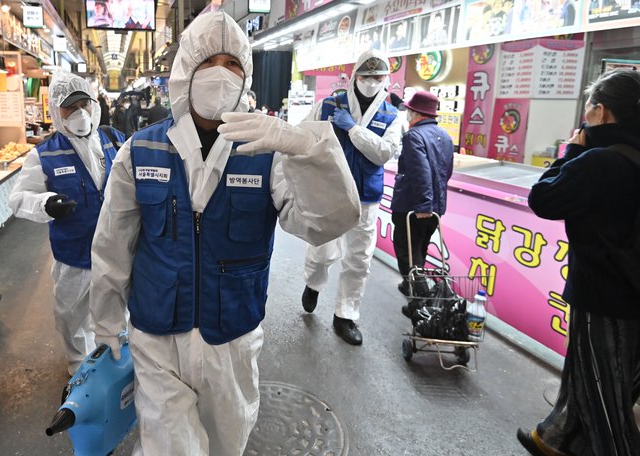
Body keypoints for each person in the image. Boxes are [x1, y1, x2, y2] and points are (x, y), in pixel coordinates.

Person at [89, 11, 359, 456]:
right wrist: (105, 321)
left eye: (232, 63)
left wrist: (312, 152)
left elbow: (324, 223)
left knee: (225, 445)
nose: (220, 73)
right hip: (158, 339)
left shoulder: (267, 152)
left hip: (231, 339)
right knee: (169, 448)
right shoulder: (141, 150)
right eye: (208, 61)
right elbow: (112, 243)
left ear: (246, 75)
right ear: (185, 72)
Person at [519, 68, 640, 456]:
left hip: (605, 294)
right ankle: (554, 438)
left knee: (607, 398)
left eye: (588, 107)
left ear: (601, 112)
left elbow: (543, 199)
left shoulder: (599, 161)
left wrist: (572, 150)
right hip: (631, 289)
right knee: (585, 373)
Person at [8, 72, 125, 376]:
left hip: (116, 252)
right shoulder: (44, 155)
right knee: (72, 317)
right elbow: (18, 198)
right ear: (55, 112)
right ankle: (80, 372)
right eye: (69, 108)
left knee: (115, 312)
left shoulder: (115, 140)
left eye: (83, 104)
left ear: (93, 103)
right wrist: (44, 203)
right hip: (74, 256)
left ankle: (116, 367)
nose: (79, 114)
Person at [301, 49, 402, 345]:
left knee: (359, 259)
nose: (371, 82)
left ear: (386, 79)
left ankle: (346, 315)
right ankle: (313, 283)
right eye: (366, 76)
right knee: (322, 250)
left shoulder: (392, 115)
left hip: (367, 195)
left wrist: (354, 130)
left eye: (377, 77)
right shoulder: (328, 105)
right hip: (330, 190)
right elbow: (305, 136)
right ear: (355, 76)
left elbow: (383, 152)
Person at [389, 91, 453, 313]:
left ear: (415, 112)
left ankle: (421, 304)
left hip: (413, 207)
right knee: (419, 250)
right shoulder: (445, 136)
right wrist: (433, 204)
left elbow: (420, 172)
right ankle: (411, 286)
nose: (407, 114)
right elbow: (446, 172)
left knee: (407, 254)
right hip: (435, 207)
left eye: (408, 110)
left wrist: (423, 206)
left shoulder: (413, 136)